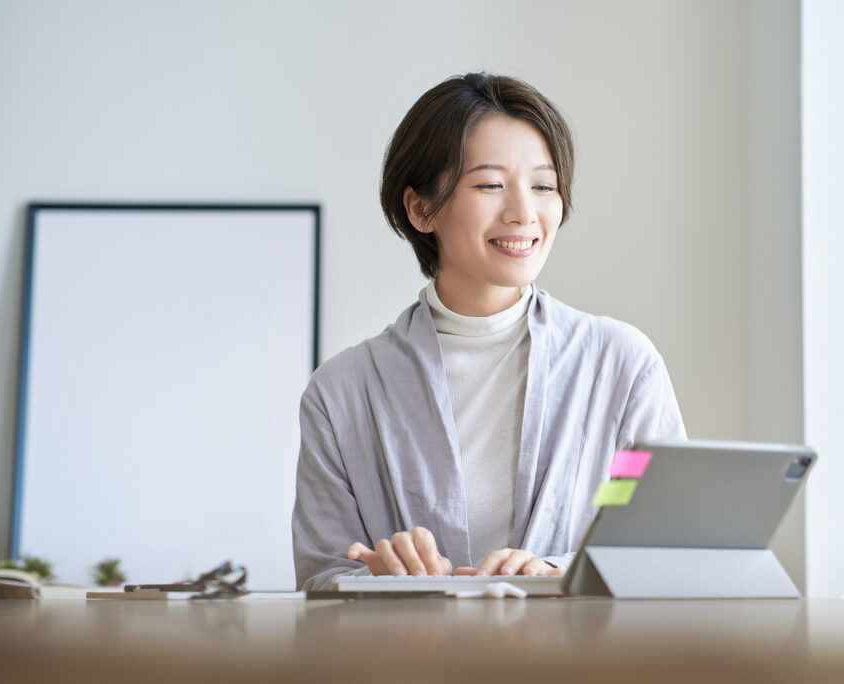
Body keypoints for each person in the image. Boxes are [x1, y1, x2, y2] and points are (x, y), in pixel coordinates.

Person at [292, 73, 685, 590]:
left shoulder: (620, 367)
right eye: (490, 185)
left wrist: (556, 571)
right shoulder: (342, 393)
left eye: (544, 186)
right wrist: (380, 579)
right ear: (421, 209)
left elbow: (663, 544)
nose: (524, 213)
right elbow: (321, 578)